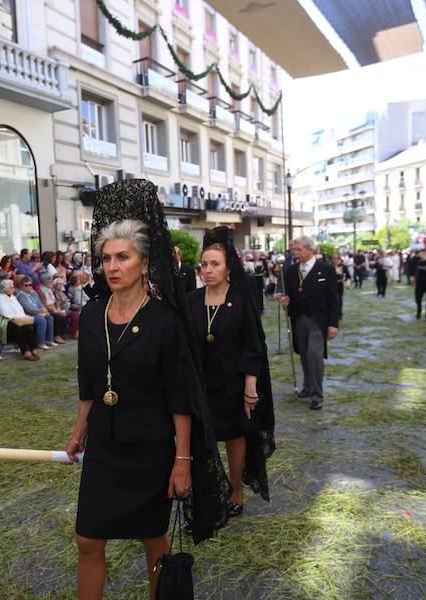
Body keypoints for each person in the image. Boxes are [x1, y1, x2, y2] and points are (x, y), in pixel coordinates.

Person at [64, 179, 230, 600]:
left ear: (143, 262)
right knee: (87, 540)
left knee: (153, 541)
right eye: (106, 258)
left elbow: (180, 397)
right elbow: (89, 381)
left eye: (123, 256)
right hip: (105, 447)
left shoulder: (164, 320)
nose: (113, 266)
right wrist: (80, 428)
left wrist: (182, 460)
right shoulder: (90, 315)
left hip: (151, 449)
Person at [187, 226, 275, 518]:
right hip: (201, 385)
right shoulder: (192, 301)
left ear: (227, 269)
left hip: (233, 385)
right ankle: (209, 496)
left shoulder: (240, 300)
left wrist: (251, 387)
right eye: (204, 265)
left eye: (215, 264)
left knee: (234, 438)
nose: (208, 270)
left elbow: (253, 347)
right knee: (201, 442)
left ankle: (235, 490)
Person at [276, 235, 340, 410]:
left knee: (314, 354)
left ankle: (317, 395)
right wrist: (282, 300)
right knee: (304, 354)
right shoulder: (290, 271)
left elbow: (334, 299)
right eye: (294, 250)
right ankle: (307, 385)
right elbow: (282, 293)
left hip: (319, 321)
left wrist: (333, 324)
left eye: (299, 250)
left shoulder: (326, 269)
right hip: (298, 319)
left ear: (311, 249)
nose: (296, 253)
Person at [0, 279, 40, 361]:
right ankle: (25, 351)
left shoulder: (13, 297)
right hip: (5, 321)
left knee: (28, 326)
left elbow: (20, 310)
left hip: (17, 319)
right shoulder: (0, 298)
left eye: (13, 287)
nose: (13, 289)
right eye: (11, 287)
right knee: (19, 328)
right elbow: (5, 313)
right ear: (5, 288)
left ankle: (33, 349)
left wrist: (23, 318)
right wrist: (17, 319)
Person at [16, 274, 55, 349]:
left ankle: (49, 340)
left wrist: (44, 310)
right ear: (21, 286)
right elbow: (28, 308)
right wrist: (40, 312)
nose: (28, 287)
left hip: (38, 312)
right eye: (26, 285)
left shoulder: (33, 292)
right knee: (41, 320)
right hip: (28, 314)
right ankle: (40, 342)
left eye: (30, 285)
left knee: (50, 318)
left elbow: (40, 303)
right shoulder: (21, 295)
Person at [40, 273, 68, 344]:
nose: (51, 282)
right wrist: (54, 310)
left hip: (54, 307)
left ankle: (62, 334)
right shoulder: (41, 291)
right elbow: (44, 304)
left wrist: (58, 308)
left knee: (63, 315)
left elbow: (55, 302)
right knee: (57, 316)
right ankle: (56, 335)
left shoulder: (50, 290)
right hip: (48, 309)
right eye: (49, 281)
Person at [330, 253, 345, 320]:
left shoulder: (342, 267)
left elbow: (346, 276)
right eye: (333, 259)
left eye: (336, 259)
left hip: (339, 286)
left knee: (339, 300)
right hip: (331, 286)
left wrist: (344, 279)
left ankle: (339, 313)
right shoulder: (329, 267)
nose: (335, 260)